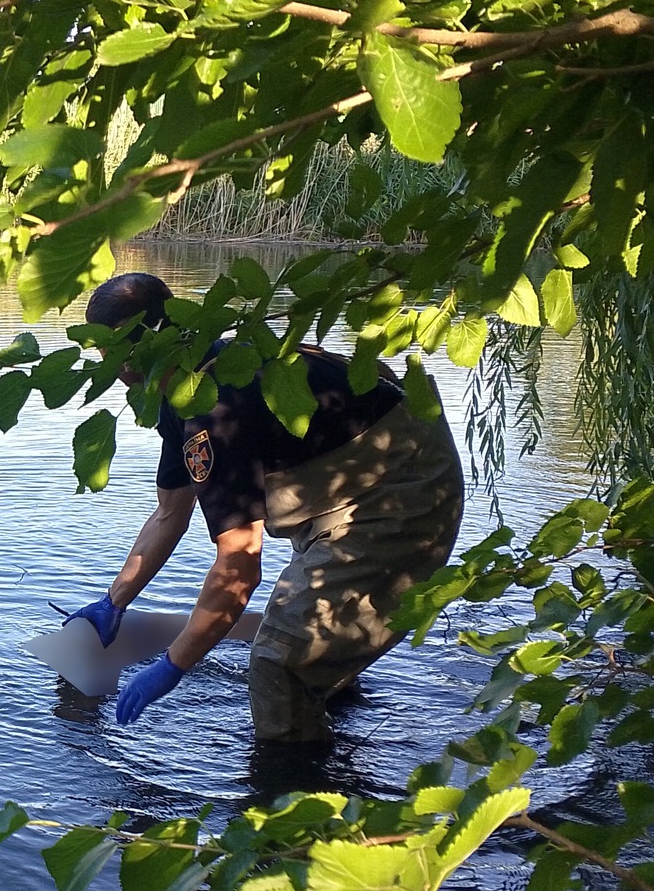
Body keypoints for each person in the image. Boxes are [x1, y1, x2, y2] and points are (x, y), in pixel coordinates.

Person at [66, 271, 465, 742]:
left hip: (402, 491)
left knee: (278, 664)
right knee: (311, 646)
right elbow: (171, 513)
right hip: (341, 495)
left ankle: (290, 795)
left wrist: (174, 664)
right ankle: (332, 718)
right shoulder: (188, 387)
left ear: (140, 344)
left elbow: (239, 565)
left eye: (108, 349)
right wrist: (113, 602)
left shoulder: (216, 410)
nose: (107, 362)